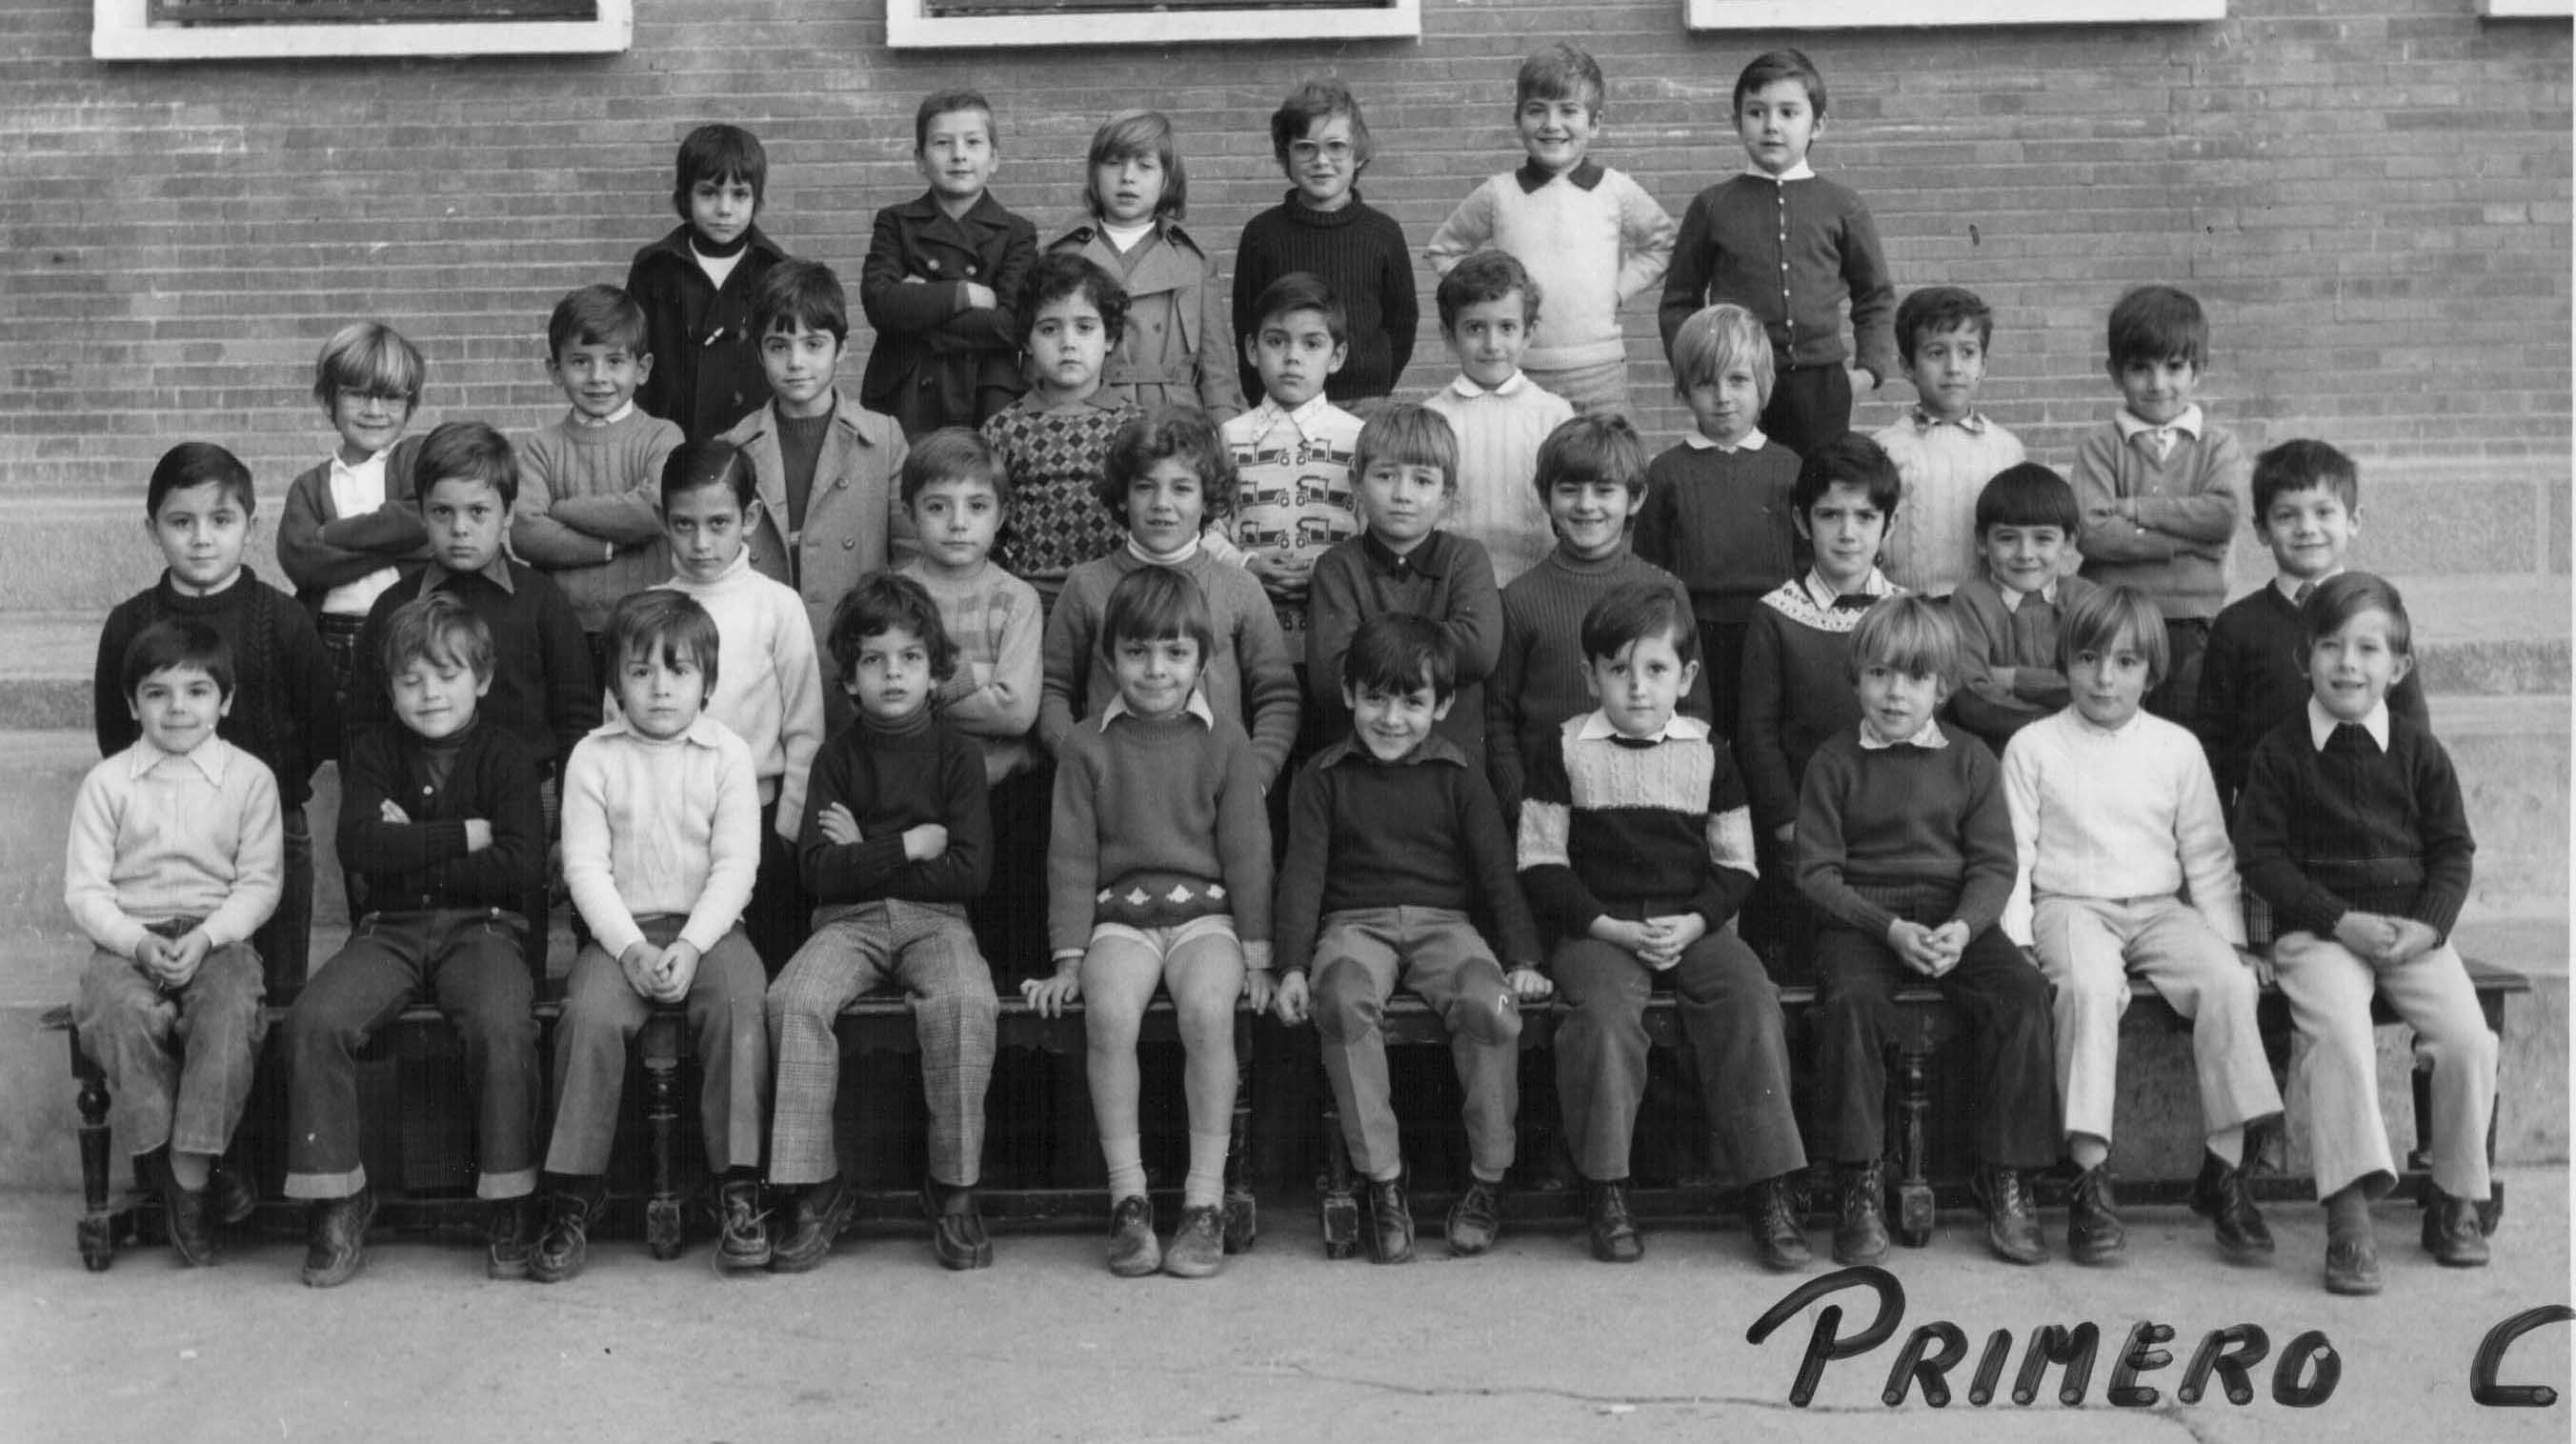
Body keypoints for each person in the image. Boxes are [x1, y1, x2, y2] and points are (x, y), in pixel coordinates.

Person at [1518, 586, 1808, 1269]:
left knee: (1750, 1000)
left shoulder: (1709, 751)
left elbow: (1738, 863)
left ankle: (1769, 1188)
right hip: (1601, 929)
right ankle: (1606, 1187)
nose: (1637, 688)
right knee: (1603, 1017)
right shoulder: (1563, 749)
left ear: (1686, 676)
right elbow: (1540, 862)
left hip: (1693, 924)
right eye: (1618, 669)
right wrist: (1608, 927)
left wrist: (1698, 920)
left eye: (1655, 670)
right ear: (1590, 675)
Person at [1999, 586, 2281, 1267]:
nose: (2104, 678)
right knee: (2089, 990)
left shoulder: (2176, 748)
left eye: (2125, 663)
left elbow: (2206, 853)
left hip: (2158, 907)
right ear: (2065, 662)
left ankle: (2226, 1170)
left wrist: (2231, 942)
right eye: (2088, 659)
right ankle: (2090, 1177)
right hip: (2070, 904)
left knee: (2229, 985)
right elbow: (2016, 854)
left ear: (2151, 672)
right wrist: (2017, 940)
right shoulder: (2034, 746)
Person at [2234, 572, 2492, 1295]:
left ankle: (2455, 1198)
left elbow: (2453, 851)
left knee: (2468, 1040)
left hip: (2409, 932)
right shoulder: (2281, 753)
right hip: (2319, 934)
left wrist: (2428, 926)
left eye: (2368, 649)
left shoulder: (2419, 753)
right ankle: (2348, 1215)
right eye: (2330, 646)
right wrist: (2336, 919)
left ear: (2399, 667)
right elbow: (2261, 858)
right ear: (2305, 659)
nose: (2348, 664)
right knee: (2342, 1038)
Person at [283, 595, 546, 1288]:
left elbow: (520, 864)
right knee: (316, 1019)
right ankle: (339, 1199)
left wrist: (409, 846)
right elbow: (359, 846)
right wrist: (465, 834)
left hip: (484, 927)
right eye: (411, 680)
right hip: (390, 931)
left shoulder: (506, 756)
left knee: (500, 1022)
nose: (430, 693)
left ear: (482, 680)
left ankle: (509, 1198)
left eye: (448, 675)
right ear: (390, 689)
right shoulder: (375, 753)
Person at [1026, 566, 1277, 1279]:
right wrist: (1069, 959)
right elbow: (1071, 858)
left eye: (1175, 652)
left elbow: (1248, 851)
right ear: (1110, 658)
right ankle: (1128, 1200)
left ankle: (1204, 1201)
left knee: (1208, 1010)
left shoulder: (1225, 741)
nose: (1156, 669)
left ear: (1203, 658)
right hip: (1121, 922)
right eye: (1136, 652)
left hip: (1206, 919)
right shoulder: (1086, 745)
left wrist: (1258, 956)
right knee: (1107, 1012)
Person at [1273, 615, 1547, 1263]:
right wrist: (1291, 966)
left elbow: (1496, 872)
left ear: (1442, 705)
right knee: (1340, 999)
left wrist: (1522, 957)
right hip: (1354, 927)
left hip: (1444, 926)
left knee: (1489, 1006)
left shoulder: (1460, 774)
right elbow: (1303, 876)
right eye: (1375, 698)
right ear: (1349, 694)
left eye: (1412, 702)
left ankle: (1487, 1180)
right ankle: (1384, 1184)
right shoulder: (1324, 776)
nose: (1392, 719)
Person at [1796, 595, 2058, 1267]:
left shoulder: (1971, 760)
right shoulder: (1833, 761)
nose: (1895, 692)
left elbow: (1995, 865)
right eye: (1879, 674)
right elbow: (1817, 874)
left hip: (1952, 917)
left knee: (2024, 994)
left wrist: (1965, 929)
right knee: (1850, 1002)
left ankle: (2007, 1177)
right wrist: (1887, 929)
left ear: (1942, 689)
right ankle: (1858, 1180)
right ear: (1856, 678)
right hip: (1862, 920)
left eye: (1915, 678)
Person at [533, 591, 771, 1281]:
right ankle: (575, 1190)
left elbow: (736, 866)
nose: (661, 687)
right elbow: (584, 867)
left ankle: (738, 1187)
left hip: (711, 931)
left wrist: (692, 945)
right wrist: (630, 947)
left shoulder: (727, 754)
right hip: (622, 934)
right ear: (615, 683)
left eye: (679, 670)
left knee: (740, 1005)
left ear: (708, 682)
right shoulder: (594, 756)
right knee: (588, 1016)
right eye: (641, 672)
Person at [767, 574, 998, 1274]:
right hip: (846, 923)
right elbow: (818, 872)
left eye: (910, 658)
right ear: (849, 679)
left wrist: (861, 851)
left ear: (935, 672)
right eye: (874, 660)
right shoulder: (836, 759)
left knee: (964, 1001)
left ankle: (954, 1189)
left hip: (937, 922)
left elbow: (969, 872)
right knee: (794, 998)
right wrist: (907, 845)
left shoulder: (958, 756)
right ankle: (817, 1188)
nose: (893, 673)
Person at [66, 621, 282, 1265]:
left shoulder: (249, 779)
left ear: (226, 700)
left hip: (218, 937)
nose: (178, 708)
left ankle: (187, 1172)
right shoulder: (109, 783)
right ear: (132, 704)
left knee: (229, 1008)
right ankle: (201, 1168)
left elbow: (260, 883)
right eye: (157, 693)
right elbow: (85, 891)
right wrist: (135, 943)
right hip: (130, 941)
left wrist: (211, 936)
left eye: (197, 691)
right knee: (118, 1011)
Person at [95, 442, 334, 997]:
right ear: (152, 530)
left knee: (274, 994)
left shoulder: (284, 619)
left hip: (270, 827)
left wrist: (267, 788)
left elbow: (320, 723)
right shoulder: (129, 623)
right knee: (164, 995)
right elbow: (115, 732)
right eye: (182, 522)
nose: (202, 538)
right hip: (161, 831)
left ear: (251, 527)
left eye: (221, 520)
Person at [1039, 407, 1302, 790]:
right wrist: (1080, 765)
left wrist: (1253, 777)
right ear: (1123, 496)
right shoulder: (1086, 585)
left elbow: (1277, 696)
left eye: (1181, 488)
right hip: (1112, 793)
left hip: (1214, 794)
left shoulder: (1239, 587)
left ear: (1208, 499)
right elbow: (1054, 689)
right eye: (1145, 486)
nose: (1161, 503)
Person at [348, 421, 596, 819]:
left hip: (531, 798)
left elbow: (576, 719)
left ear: (508, 512)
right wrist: (376, 804)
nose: (460, 529)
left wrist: (571, 819)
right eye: (442, 512)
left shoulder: (542, 601)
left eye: (478, 511)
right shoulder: (394, 605)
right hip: (419, 804)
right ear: (422, 513)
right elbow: (364, 720)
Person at [1657, 49, 1897, 458]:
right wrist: (1699, 369)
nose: (1771, 126)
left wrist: (1868, 372)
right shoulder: (1713, 206)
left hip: (1819, 387)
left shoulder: (1843, 206)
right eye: (1756, 112)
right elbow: (1679, 300)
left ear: (1817, 124)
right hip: (1736, 382)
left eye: (1788, 112)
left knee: (1816, 482)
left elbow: (1874, 296)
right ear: (1737, 123)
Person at [1423, 42, 1674, 418]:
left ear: (1595, 122)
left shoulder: (1615, 190)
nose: (1551, 124)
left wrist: (1616, 291)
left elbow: (1662, 244)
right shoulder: (1499, 193)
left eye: (1568, 111)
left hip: (1600, 373)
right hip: (1520, 373)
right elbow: (1444, 250)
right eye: (1536, 110)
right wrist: (1490, 299)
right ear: (1517, 120)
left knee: (1606, 454)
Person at [655, 439, 828, 971]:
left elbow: (805, 727)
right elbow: (619, 724)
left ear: (749, 518)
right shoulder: (650, 609)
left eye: (718, 524)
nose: (701, 542)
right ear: (664, 522)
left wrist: (787, 825)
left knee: (768, 964)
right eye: (684, 525)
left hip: (760, 819)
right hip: (671, 819)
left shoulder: (776, 606)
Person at [719, 258, 913, 725]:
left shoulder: (882, 438)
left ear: (841, 349)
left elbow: (909, 559)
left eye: (813, 344)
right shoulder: (732, 448)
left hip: (854, 658)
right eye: (779, 346)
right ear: (759, 353)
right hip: (762, 663)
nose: (796, 362)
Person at [1735, 434, 1903, 962]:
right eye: (1830, 515)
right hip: (1805, 835)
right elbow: (1757, 734)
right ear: (1803, 522)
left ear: (1889, 525)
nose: (1848, 533)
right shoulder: (1776, 614)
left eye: (1865, 517)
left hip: (1892, 831)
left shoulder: (1907, 614)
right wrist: (1789, 825)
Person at [1486, 414, 1703, 815]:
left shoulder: (1666, 591)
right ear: (1545, 497)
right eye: (1569, 490)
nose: (1586, 505)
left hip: (1647, 807)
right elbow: (1499, 723)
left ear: (1635, 498)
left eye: (1604, 490)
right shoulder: (1519, 599)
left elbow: (1692, 710)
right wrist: (1525, 809)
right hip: (1548, 809)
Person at [2195, 438, 2427, 812]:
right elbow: (2213, 749)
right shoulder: (2237, 626)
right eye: (2287, 516)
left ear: (2353, 521)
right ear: (2262, 529)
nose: (2306, 528)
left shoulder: (2380, 614)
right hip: (2269, 824)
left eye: (2323, 512)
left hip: (2365, 816)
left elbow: (2413, 730)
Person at [892, 429, 1046, 970]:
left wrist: (929, 694)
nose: (958, 523)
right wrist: (980, 678)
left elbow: (1017, 710)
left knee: (1007, 940)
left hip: (1001, 792)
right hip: (916, 796)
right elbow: (884, 706)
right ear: (909, 513)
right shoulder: (893, 596)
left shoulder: (1017, 598)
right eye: (938, 507)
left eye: (976, 507)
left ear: (1000, 516)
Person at [2071, 283, 2249, 721]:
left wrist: (2138, 509)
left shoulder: (2218, 445)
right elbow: (2092, 533)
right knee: (2110, 724)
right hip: (2113, 615)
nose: (2157, 384)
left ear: (2198, 370)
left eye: (2174, 367)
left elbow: (2222, 517)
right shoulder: (2100, 446)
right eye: (2140, 368)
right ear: (2115, 373)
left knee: (2183, 726)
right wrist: (2189, 543)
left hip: (2191, 620)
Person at [1634, 302, 1800, 733]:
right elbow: (1650, 566)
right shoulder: (1666, 472)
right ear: (1685, 391)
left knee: (1764, 733)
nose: (1723, 397)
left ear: (1763, 384)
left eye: (1738, 380)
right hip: (1694, 635)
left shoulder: (1789, 468)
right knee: (1703, 735)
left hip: (1773, 630)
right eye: (1706, 383)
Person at [1303, 403, 1501, 758]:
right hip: (1359, 767)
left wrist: (1370, 642)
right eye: (1385, 476)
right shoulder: (1337, 567)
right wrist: (1436, 649)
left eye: (1422, 480)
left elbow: (1478, 653)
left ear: (1446, 494)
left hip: (1451, 767)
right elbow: (1332, 677)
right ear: (1357, 484)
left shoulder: (1465, 559)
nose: (1402, 494)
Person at [508, 284, 686, 652]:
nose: (597, 377)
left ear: (642, 369)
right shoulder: (544, 446)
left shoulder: (662, 436)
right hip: (563, 626)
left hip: (649, 622)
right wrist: (606, 546)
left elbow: (653, 510)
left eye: (614, 361)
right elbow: (526, 533)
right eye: (580, 361)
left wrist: (562, 510)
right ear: (555, 371)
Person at [859, 89, 1038, 438]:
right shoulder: (895, 222)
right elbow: (880, 305)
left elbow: (1010, 325)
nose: (959, 155)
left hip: (987, 396)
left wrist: (919, 309)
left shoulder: (1017, 232)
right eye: (942, 143)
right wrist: (964, 294)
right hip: (906, 395)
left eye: (973, 143)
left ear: (994, 158)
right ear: (920, 159)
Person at [1232, 79, 1417, 410]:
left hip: (1365, 404)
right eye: (1306, 147)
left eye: (1336, 146)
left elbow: (1402, 323)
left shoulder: (1383, 233)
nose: (1321, 160)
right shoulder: (1262, 235)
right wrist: (1264, 398)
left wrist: (1377, 382)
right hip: (1286, 402)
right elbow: (1246, 323)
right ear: (1285, 155)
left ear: (1358, 154)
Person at [1048, 110, 1244, 419]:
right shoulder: (1061, 255)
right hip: (1083, 418)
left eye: (1145, 165)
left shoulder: (1193, 262)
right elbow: (1039, 356)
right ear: (1095, 173)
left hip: (1172, 418)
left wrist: (1225, 427)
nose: (1128, 177)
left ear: (1166, 179)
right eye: (1114, 163)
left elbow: (1217, 370)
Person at [275, 320, 430, 706]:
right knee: (339, 728)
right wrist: (395, 548)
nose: (374, 410)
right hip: (332, 636)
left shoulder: (417, 460)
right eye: (358, 394)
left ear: (410, 405)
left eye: (391, 397)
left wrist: (332, 534)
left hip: (412, 628)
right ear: (329, 400)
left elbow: (419, 522)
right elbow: (303, 561)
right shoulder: (309, 485)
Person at [983, 252, 1141, 610]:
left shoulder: (1137, 427)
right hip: (1031, 601)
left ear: (1110, 337)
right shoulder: (1003, 430)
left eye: (1084, 327)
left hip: (1121, 599)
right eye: (1049, 329)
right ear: (1026, 341)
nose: (1068, 342)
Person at [1218, 271, 1364, 657]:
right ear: (1252, 350)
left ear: (1337, 357)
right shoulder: (1228, 437)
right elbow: (1207, 531)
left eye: (1311, 343)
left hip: (1339, 632)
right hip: (1248, 631)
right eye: (1276, 341)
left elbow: (1372, 530)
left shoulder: (1359, 438)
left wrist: (1330, 571)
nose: (1292, 357)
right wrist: (1246, 564)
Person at [1420, 251, 1576, 587]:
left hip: (1538, 586)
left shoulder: (1554, 415)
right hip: (1453, 587)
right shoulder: (1431, 418)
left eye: (1507, 327)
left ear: (1528, 333)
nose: (1492, 344)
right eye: (1475, 328)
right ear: (1449, 335)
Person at [626, 123, 785, 444]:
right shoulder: (654, 267)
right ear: (687, 195)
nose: (724, 209)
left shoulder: (775, 271)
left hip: (754, 440)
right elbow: (632, 357)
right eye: (709, 193)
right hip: (670, 440)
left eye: (739, 194)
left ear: (755, 199)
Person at [1870, 286, 2025, 598]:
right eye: (1936, 353)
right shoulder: (1885, 449)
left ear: (1983, 365)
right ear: (1908, 367)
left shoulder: (2007, 451)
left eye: (1967, 352)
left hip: (1985, 614)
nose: (1954, 368)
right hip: (1907, 612)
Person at [1946, 463, 2101, 754]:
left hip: (2083, 754)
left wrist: (2012, 679)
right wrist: (2067, 717)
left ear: (2069, 541)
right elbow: (1972, 699)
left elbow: (2101, 685)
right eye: (2007, 538)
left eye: (2043, 538)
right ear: (1982, 541)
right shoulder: (1971, 601)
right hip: (1998, 756)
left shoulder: (2086, 599)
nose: (2025, 554)